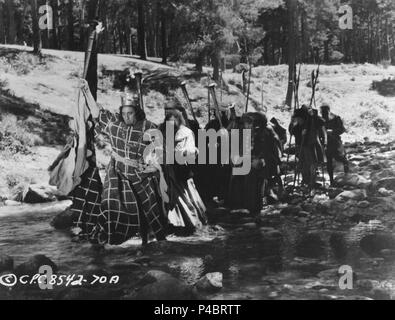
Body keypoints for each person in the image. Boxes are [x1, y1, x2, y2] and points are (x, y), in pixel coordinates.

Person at [75, 90, 167, 246]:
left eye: (130, 113)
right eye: (124, 113)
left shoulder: (150, 127)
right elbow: (97, 113)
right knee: (110, 203)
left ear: (137, 112)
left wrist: (154, 167)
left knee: (149, 211)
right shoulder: (115, 125)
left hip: (140, 174)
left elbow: (162, 151)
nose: (126, 117)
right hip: (117, 172)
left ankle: (154, 242)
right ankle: (105, 240)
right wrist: (86, 90)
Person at [160, 109, 207, 234]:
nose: (171, 122)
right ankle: (173, 222)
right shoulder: (164, 131)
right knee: (169, 196)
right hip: (167, 169)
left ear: (178, 119)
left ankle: (190, 222)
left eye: (173, 120)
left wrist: (184, 153)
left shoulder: (186, 132)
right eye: (168, 120)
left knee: (184, 196)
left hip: (181, 169)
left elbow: (191, 149)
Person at [289, 105, 327, 190]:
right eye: (297, 119)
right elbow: (292, 131)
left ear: (303, 118)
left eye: (299, 119)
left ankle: (312, 182)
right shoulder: (297, 126)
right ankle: (305, 181)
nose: (298, 120)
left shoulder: (311, 122)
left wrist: (313, 115)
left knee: (312, 164)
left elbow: (322, 122)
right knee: (303, 164)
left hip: (311, 146)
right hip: (301, 147)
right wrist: (292, 123)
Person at [320, 103, 349, 185]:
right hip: (326, 143)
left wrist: (333, 131)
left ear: (328, 111)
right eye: (322, 112)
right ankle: (331, 180)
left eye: (325, 112)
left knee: (341, 158)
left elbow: (342, 129)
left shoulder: (336, 118)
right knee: (328, 162)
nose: (324, 114)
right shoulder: (321, 120)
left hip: (335, 141)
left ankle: (346, 174)